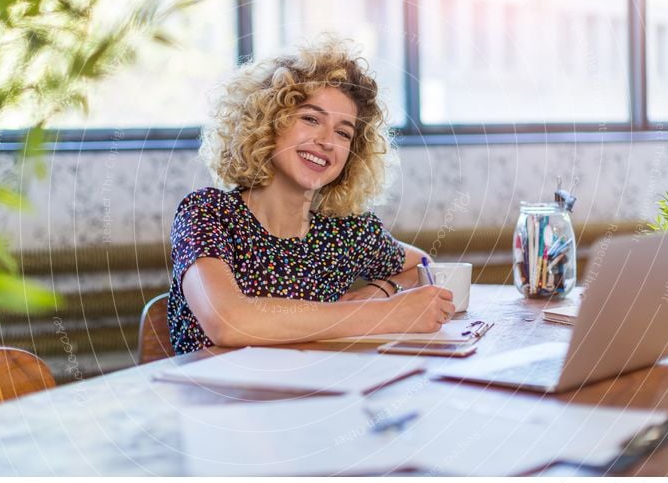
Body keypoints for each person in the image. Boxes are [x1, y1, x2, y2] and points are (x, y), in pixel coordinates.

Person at [168, 37, 454, 354]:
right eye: (310, 119)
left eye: (343, 132)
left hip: (315, 396)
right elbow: (227, 320)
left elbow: (423, 264)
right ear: (268, 122)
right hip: (216, 399)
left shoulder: (345, 232)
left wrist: (381, 289)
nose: (326, 141)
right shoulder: (208, 213)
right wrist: (386, 313)